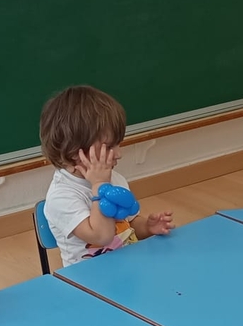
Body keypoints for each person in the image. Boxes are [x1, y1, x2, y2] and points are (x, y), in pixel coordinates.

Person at [39, 86, 175, 267]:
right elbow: (101, 237)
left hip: (126, 264)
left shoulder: (114, 178)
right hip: (89, 276)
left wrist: (148, 228)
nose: (119, 154)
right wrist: (99, 186)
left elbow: (128, 224)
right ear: (74, 152)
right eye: (109, 147)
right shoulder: (61, 197)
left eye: (118, 144)